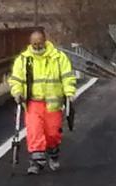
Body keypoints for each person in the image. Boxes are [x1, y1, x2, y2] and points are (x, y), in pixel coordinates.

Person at [9, 29, 78, 175]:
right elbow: (16, 79)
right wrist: (17, 92)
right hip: (33, 102)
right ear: (30, 43)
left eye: (39, 43)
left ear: (45, 41)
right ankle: (36, 162)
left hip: (53, 103)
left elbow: (67, 76)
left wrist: (69, 93)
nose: (37, 47)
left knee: (52, 133)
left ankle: (53, 152)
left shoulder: (58, 57)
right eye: (34, 44)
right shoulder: (24, 60)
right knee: (34, 130)